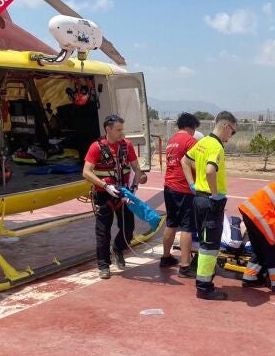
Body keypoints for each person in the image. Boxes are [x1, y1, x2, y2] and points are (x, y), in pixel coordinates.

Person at [82, 115, 147, 279]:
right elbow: (86, 172)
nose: (121, 133)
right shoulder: (96, 148)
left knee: (129, 228)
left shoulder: (127, 146)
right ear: (108, 129)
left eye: (122, 129)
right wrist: (105, 186)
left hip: (124, 193)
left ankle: (118, 248)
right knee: (103, 232)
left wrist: (135, 186)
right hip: (104, 195)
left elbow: (137, 168)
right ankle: (104, 265)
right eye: (118, 130)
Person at [182, 111, 237, 300]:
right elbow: (210, 170)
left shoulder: (202, 142)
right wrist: (214, 194)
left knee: (205, 241)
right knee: (210, 245)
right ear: (225, 126)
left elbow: (184, 161)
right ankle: (204, 286)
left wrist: (192, 184)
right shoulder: (216, 146)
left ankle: (204, 280)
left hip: (198, 198)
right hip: (210, 201)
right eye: (233, 132)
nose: (231, 136)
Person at [161, 112, 201, 277]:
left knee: (171, 223)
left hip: (169, 187)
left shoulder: (171, 141)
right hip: (184, 188)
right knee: (187, 227)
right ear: (190, 127)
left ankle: (166, 257)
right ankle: (185, 266)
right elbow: (194, 164)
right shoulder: (190, 141)